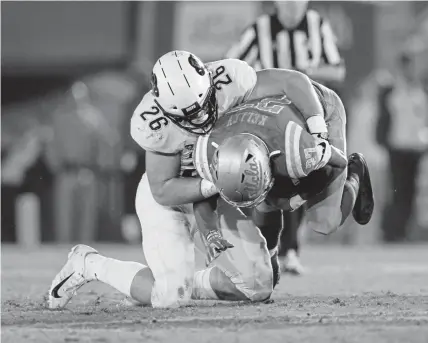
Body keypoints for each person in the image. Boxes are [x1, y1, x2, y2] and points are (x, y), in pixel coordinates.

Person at [47, 50, 331, 309]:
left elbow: (290, 81)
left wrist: (317, 126)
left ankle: (179, 280)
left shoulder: (229, 79)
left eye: (203, 105)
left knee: (257, 287)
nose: (201, 118)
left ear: (209, 83)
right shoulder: (153, 123)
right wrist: (213, 184)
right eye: (188, 115)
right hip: (175, 196)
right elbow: (162, 189)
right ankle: (90, 264)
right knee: (169, 297)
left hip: (213, 197)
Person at [192, 87, 374, 283]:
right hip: (271, 122)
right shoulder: (206, 151)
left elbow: (336, 164)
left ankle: (357, 172)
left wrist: (296, 199)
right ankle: (270, 258)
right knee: (268, 199)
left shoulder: (298, 149)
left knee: (324, 222)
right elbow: (202, 197)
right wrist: (210, 234)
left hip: (317, 111)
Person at [226, 0, 346, 274]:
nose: (292, 4)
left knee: (302, 175)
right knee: (272, 180)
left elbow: (338, 69)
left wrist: (305, 75)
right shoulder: (260, 29)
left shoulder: (318, 25)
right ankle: (275, 249)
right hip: (270, 117)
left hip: (309, 116)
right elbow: (233, 67)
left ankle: (286, 248)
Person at [376, 50, 428, 242]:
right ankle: (391, 231)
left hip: (416, 147)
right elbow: (383, 118)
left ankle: (404, 230)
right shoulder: (391, 89)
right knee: (397, 189)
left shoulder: (422, 89)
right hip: (397, 147)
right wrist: (382, 140)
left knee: (411, 191)